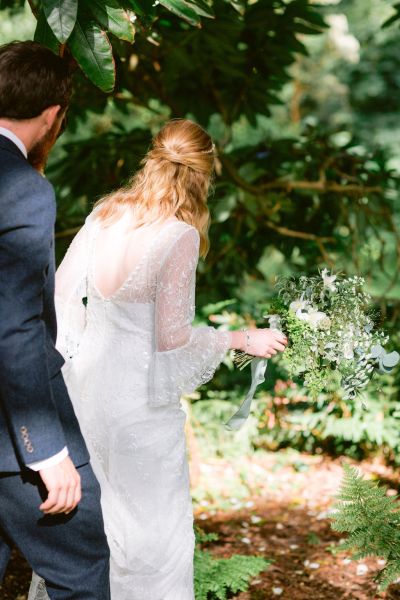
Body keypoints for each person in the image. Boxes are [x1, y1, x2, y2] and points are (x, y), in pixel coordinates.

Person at [30, 118, 287, 600]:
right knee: (153, 533)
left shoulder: (106, 212)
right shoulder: (178, 236)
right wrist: (240, 338)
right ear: (203, 173)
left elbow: (61, 294)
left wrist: (78, 356)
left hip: (87, 387)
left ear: (153, 156)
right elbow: (171, 339)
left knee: (89, 524)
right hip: (139, 406)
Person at [0, 41, 110, 599]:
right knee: (82, 574)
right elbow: (14, 327)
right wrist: (44, 449)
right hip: (11, 442)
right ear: (52, 115)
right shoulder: (23, 189)